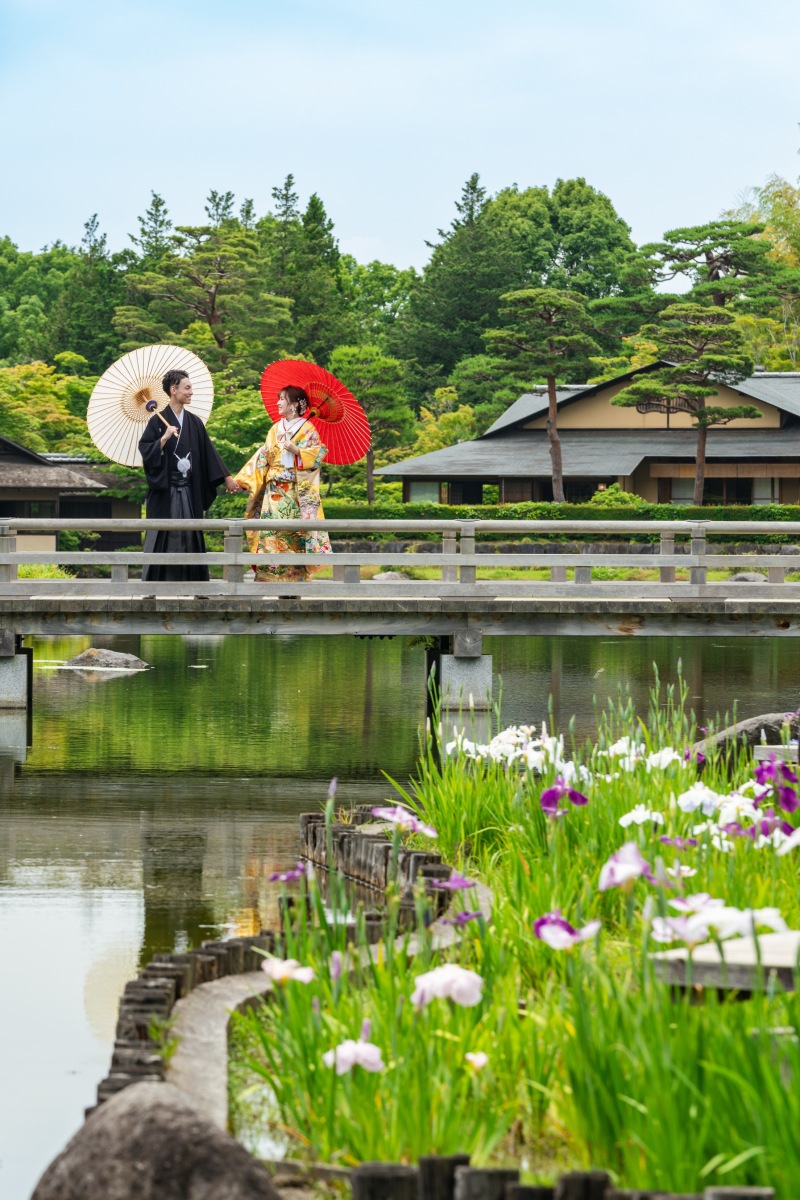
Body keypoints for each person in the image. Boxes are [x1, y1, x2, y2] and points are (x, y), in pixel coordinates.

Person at [138, 368, 241, 582]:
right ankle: (153, 587)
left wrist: (227, 478)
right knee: (161, 535)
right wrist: (163, 439)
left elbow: (209, 453)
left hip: (188, 490)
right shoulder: (157, 422)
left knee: (192, 534)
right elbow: (146, 450)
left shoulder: (194, 422)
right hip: (166, 491)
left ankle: (196, 585)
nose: (191, 392)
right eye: (187, 388)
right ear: (174, 390)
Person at [234, 385, 332, 581]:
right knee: (271, 533)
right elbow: (262, 457)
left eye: (282, 399)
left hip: (296, 493)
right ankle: (271, 577)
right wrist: (242, 480)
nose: (278, 402)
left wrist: (298, 451)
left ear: (294, 404)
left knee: (294, 535)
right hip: (273, 492)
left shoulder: (308, 429)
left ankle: (295, 580)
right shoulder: (275, 429)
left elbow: (320, 454)